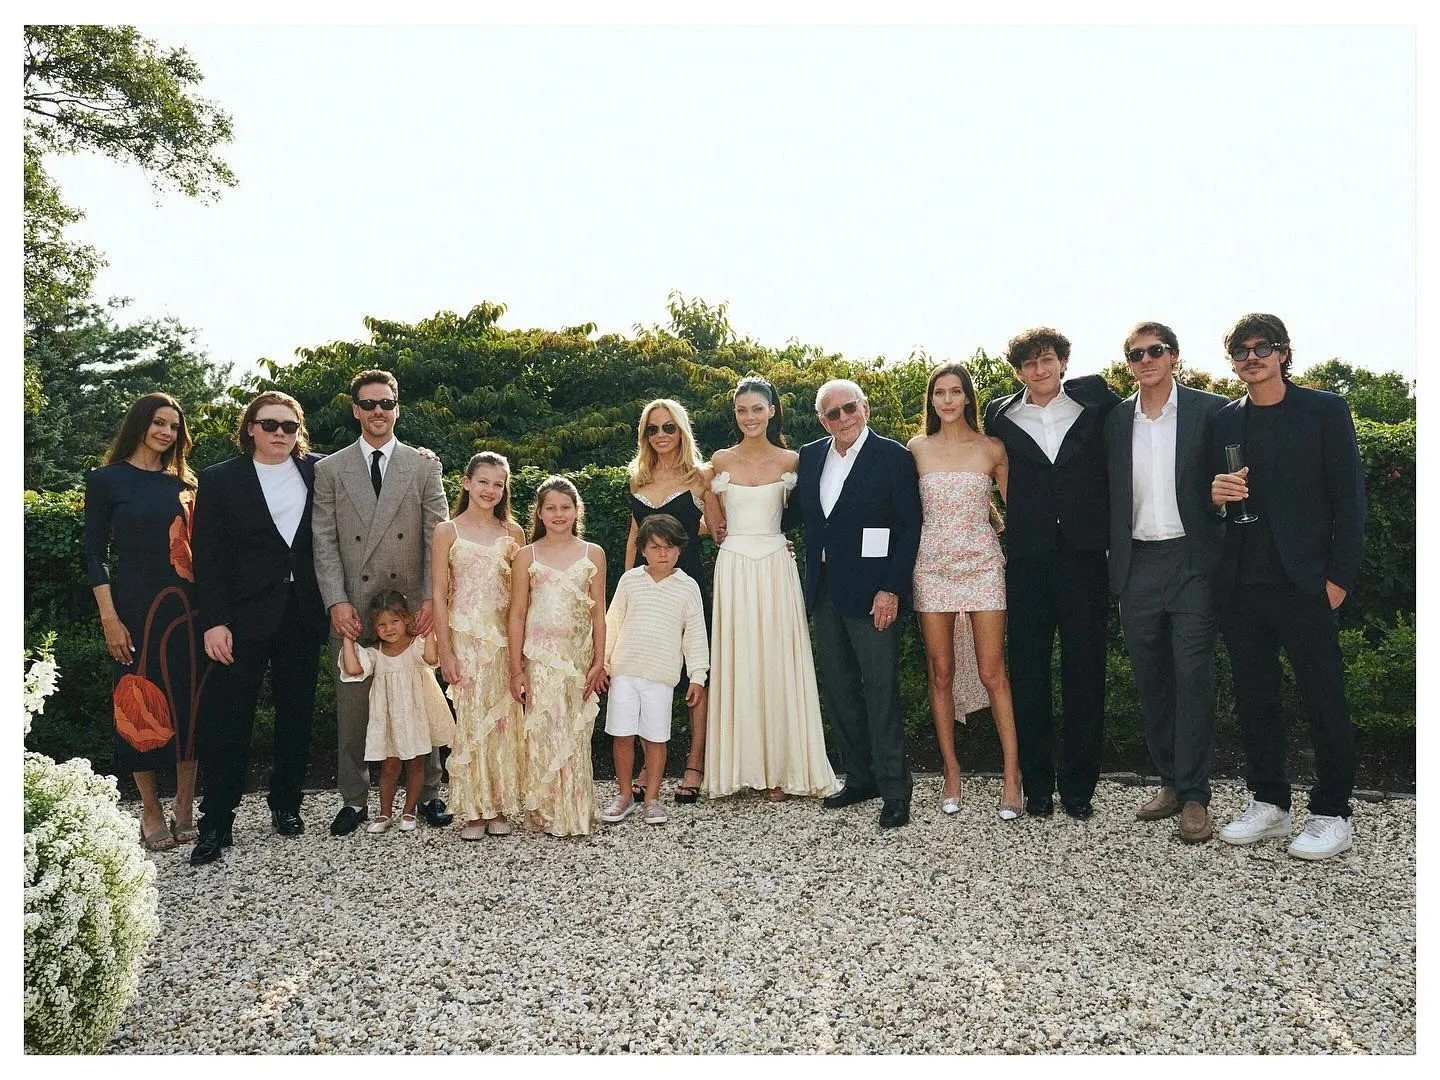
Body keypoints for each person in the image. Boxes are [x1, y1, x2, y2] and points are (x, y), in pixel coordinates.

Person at [1209, 313, 1366, 860]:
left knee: (1324, 698)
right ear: (1232, 361)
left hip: (1306, 583)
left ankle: (1333, 811)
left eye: (1263, 347)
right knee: (1255, 699)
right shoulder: (1224, 420)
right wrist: (1215, 496)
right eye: (1241, 350)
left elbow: (1349, 499)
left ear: (1282, 353)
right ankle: (1270, 801)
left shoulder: (1324, 410)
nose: (1252, 357)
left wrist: (1339, 578)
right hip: (1242, 584)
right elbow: (1207, 498)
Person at [983, 328, 1121, 820]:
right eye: (1028, 364)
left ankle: (1080, 788)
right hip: (1027, 559)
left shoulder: (1095, 402)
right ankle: (1038, 786)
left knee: (1085, 671)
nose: (1038, 370)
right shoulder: (1000, 415)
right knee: (1029, 672)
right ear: (1018, 371)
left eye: (1046, 360)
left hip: (1085, 557)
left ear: (1062, 361)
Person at [190, 392, 330, 865]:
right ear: (250, 427)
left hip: (302, 613)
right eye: (270, 424)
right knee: (228, 720)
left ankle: (286, 804)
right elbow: (207, 558)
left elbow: (369, 468)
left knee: (297, 714)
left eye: (289, 426)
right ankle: (217, 820)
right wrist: (214, 621)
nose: (280, 433)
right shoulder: (219, 479)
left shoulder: (319, 470)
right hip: (240, 618)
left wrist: (427, 459)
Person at [312, 370, 453, 836]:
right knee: (353, 708)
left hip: (409, 606)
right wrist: (336, 601)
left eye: (386, 403)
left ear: (397, 408)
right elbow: (324, 542)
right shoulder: (330, 469)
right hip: (354, 606)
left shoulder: (423, 466)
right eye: (369, 403)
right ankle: (354, 799)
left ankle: (428, 793)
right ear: (355, 409)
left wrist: (431, 598)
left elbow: (438, 537)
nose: (378, 411)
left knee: (419, 702)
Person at [1104, 322, 1228, 844]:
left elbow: (1237, 473)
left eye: (1155, 351)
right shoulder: (1115, 419)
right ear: (1128, 363)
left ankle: (1196, 795)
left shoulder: (1210, 411)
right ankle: (1170, 782)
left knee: (1192, 676)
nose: (1146, 360)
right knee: (1151, 679)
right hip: (1136, 563)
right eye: (1136, 354)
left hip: (1191, 560)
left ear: (1174, 355)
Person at [706, 376, 838, 804]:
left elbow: (813, 514)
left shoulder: (792, 460)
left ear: (772, 411)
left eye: (757, 409)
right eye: (742, 410)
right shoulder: (719, 461)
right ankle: (741, 768)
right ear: (735, 414)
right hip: (734, 567)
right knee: (740, 660)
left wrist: (787, 540)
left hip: (776, 567)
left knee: (778, 661)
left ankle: (783, 769)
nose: (749, 417)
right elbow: (710, 518)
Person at [84, 392, 207, 852]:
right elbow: (94, 554)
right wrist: (109, 618)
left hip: (187, 611)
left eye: (174, 426)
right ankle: (151, 808)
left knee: (188, 705)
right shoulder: (106, 480)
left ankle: (184, 804)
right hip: (134, 612)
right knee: (136, 709)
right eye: (158, 422)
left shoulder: (185, 484)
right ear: (139, 424)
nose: (166, 432)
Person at [794, 378, 920, 827]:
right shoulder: (811, 456)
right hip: (825, 590)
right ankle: (861, 777)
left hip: (874, 594)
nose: (843, 418)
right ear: (822, 421)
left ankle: (895, 790)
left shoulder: (894, 457)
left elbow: (910, 528)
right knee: (840, 689)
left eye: (850, 408)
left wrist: (891, 589)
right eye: (833, 413)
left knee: (881, 690)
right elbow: (800, 516)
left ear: (865, 407)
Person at [908, 363, 1023, 820]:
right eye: (940, 393)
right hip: (932, 567)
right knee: (940, 673)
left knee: (994, 672)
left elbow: (1021, 510)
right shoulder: (916, 448)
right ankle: (951, 773)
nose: (948, 400)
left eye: (955, 392)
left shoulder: (992, 448)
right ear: (931, 400)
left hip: (983, 565)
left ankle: (1012, 774)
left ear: (968, 397)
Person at [622, 399, 724, 804]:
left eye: (668, 427)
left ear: (681, 431)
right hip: (645, 587)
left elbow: (720, 528)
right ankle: (649, 766)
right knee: (647, 669)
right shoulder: (637, 480)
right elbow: (635, 536)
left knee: (696, 670)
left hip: (688, 583)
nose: (661, 435)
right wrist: (628, 585)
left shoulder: (701, 476)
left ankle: (695, 763)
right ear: (644, 435)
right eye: (653, 429)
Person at [431, 451, 528, 841]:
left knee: (504, 722)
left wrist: (521, 655)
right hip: (465, 639)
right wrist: (445, 650)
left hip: (504, 641)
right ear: (467, 483)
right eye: (483, 481)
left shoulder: (514, 533)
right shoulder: (447, 531)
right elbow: (439, 594)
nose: (490, 490)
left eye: (498, 484)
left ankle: (500, 805)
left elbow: (521, 599)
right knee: (471, 721)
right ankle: (474, 809)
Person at [507, 476, 607, 837]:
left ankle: (575, 810)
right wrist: (516, 668)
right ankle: (546, 811)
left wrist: (599, 660)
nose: (558, 514)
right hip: (539, 656)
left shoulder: (593, 553)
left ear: (577, 510)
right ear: (539, 512)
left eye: (565, 507)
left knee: (574, 732)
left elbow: (598, 613)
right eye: (551, 507)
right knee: (544, 729)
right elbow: (517, 613)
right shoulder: (526, 555)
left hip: (577, 656)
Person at [601, 513, 710, 826]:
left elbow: (696, 634)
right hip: (624, 671)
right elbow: (612, 622)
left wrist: (698, 676)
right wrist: (604, 663)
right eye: (655, 547)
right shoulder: (630, 581)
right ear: (642, 550)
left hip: (661, 676)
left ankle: (652, 798)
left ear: (680, 549)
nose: (663, 553)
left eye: (669, 547)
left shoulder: (687, 587)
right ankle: (624, 795)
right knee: (622, 735)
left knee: (656, 738)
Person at [339, 592, 456, 833]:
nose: (389, 628)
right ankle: (385, 813)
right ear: (374, 628)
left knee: (416, 763)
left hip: (415, 717)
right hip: (390, 720)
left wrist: (430, 629)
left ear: (407, 619)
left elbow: (431, 658)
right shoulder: (376, 653)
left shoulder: (416, 647)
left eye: (394, 621)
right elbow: (352, 669)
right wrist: (348, 638)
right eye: (381, 624)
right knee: (389, 767)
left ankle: (409, 811)